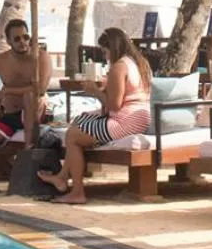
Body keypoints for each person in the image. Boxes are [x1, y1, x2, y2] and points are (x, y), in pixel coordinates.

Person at [38, 28, 152, 206]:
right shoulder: (139, 63)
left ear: (112, 48)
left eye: (105, 51)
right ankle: (61, 177)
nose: (105, 56)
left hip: (125, 121)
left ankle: (77, 192)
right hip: (140, 117)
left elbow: (114, 105)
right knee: (79, 120)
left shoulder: (119, 67)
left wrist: (94, 92)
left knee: (72, 136)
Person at [0, 20, 52, 168]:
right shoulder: (1, 60)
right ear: (8, 41)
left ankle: (28, 150)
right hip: (11, 115)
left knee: (29, 96)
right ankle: (12, 171)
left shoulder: (41, 57)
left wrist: (7, 90)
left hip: (36, 114)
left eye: (26, 37)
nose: (23, 42)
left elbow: (41, 90)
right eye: (17, 39)